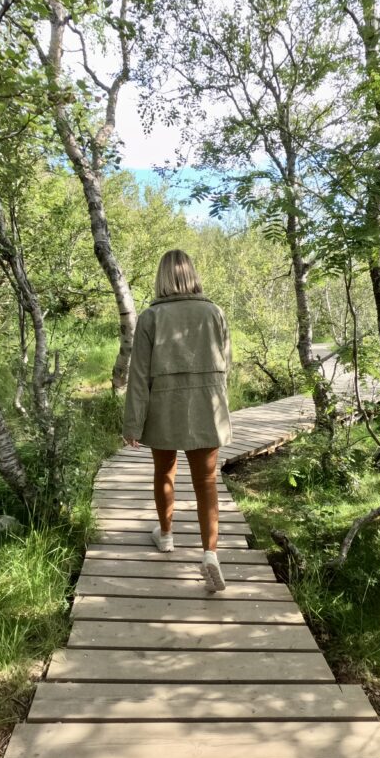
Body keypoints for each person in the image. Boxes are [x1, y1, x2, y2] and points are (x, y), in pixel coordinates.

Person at [121, 249, 233, 592]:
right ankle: (210, 554)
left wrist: (133, 424)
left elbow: (138, 376)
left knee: (164, 471)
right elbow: (226, 363)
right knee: (207, 482)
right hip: (206, 405)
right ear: (192, 274)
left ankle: (167, 536)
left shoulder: (151, 318)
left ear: (162, 278)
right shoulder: (214, 312)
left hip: (164, 408)